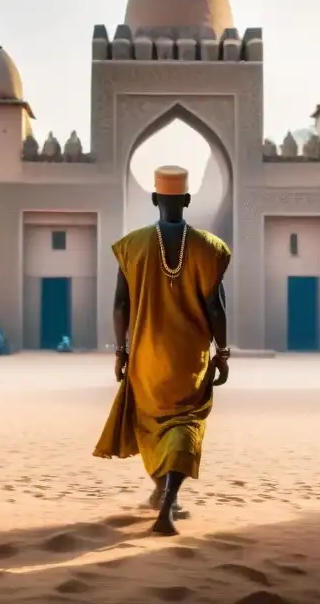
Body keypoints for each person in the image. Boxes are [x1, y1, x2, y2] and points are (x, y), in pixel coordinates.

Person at [93, 165, 232, 536]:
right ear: (187, 200)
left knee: (153, 425)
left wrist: (120, 351)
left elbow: (120, 305)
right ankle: (168, 504)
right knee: (184, 425)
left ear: (155, 199)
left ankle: (160, 492)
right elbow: (216, 307)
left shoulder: (131, 247)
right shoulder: (208, 248)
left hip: (146, 357)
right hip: (190, 360)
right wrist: (223, 352)